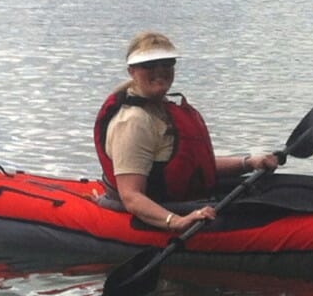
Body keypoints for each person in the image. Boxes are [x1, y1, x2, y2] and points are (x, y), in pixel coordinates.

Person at [94, 31, 278, 233]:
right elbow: (131, 196)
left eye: (167, 63)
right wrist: (176, 221)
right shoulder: (133, 122)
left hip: (182, 199)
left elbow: (193, 167)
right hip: (159, 209)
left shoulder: (162, 108)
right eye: (149, 65)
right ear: (132, 71)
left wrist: (248, 163)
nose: (160, 70)